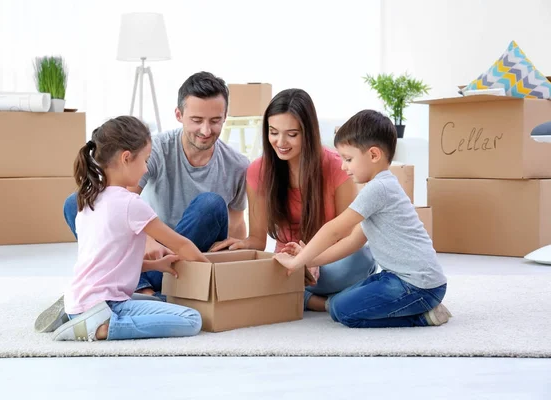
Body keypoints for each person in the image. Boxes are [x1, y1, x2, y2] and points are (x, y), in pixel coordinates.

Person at [36, 71, 249, 333]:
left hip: (174, 258)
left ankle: (109, 294)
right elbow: (127, 198)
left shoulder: (237, 164)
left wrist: (236, 267)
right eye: (197, 120)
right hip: (149, 244)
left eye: (215, 121)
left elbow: (236, 227)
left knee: (211, 205)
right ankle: (126, 302)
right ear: (179, 115)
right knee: (76, 202)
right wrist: (149, 243)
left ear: (225, 117)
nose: (206, 130)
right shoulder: (153, 148)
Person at [274, 109, 452, 328]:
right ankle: (416, 307)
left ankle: (423, 317)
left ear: (374, 155)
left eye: (348, 159)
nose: (343, 166)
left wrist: (296, 262)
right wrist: (309, 259)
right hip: (402, 278)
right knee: (340, 301)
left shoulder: (379, 188)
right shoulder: (380, 187)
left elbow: (335, 230)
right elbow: (353, 241)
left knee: (342, 311)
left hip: (419, 286)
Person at [210, 89, 376, 312]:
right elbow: (258, 240)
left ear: (308, 132)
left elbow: (346, 233)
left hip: (327, 260)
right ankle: (325, 302)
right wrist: (238, 247)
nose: (280, 142)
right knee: (250, 275)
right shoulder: (258, 170)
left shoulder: (337, 166)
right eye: (273, 132)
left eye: (292, 134)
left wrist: (313, 258)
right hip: (289, 266)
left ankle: (300, 297)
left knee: (358, 260)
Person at [52, 116, 209, 341]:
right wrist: (214, 272)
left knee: (161, 303)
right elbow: (180, 244)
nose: (146, 168)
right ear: (126, 158)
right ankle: (102, 328)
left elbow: (108, 261)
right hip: (108, 304)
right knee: (192, 319)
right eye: (145, 160)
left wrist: (156, 265)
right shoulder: (130, 203)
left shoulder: (88, 198)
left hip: (82, 298)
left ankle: (77, 316)